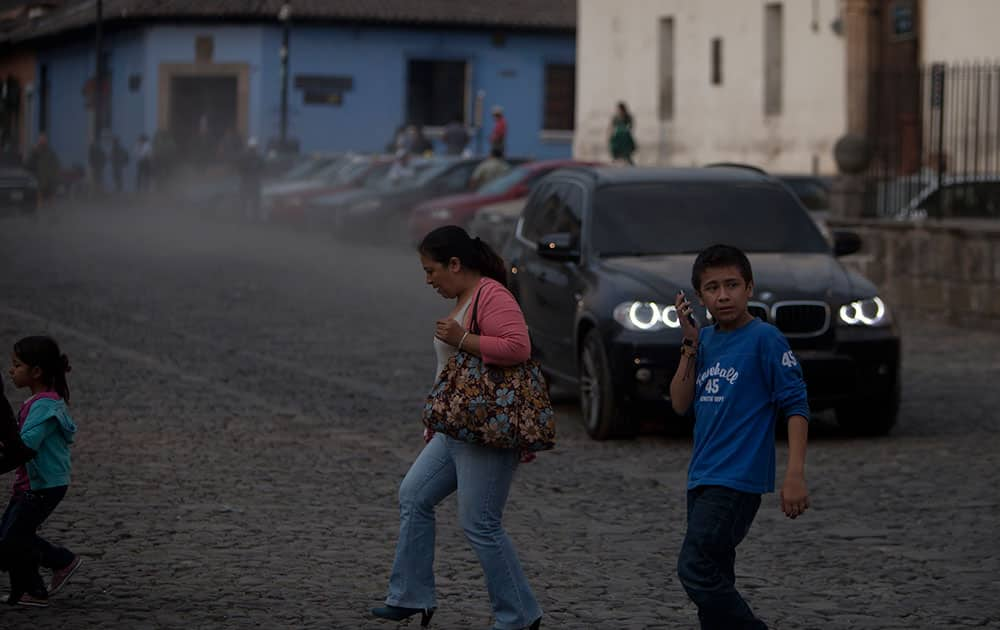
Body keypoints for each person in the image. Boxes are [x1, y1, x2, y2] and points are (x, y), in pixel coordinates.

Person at [371, 226, 543, 630]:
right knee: (414, 495)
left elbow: (519, 347)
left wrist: (464, 338)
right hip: (455, 428)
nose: (428, 280)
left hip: (486, 430)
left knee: (481, 524)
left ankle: (520, 615)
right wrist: (436, 419)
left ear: (455, 264)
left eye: (431, 271)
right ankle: (410, 596)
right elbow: (449, 370)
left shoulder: (492, 294)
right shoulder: (466, 298)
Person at [669, 244, 810, 630]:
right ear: (699, 297)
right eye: (712, 288)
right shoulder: (706, 342)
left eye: (732, 284)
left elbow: (796, 406)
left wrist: (794, 474)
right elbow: (680, 403)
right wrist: (690, 343)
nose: (723, 295)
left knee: (694, 566)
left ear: (749, 287)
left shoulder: (765, 339)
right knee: (715, 576)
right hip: (701, 476)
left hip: (736, 480)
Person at [0, 336, 81, 608]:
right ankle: (28, 589)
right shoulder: (38, 402)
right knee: (11, 536)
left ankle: (59, 563)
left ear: (36, 372)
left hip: (43, 486)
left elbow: (26, 444)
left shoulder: (44, 407)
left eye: (17, 365)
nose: (11, 371)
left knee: (13, 538)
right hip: (30, 484)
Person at [25, 134, 61, 202]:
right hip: (37, 180)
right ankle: (40, 208)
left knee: (50, 197)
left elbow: (56, 166)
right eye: (41, 140)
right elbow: (28, 165)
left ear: (46, 142)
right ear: (38, 141)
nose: (42, 142)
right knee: (39, 197)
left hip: (49, 181)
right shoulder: (34, 152)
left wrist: (54, 178)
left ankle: (50, 209)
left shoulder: (50, 153)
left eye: (44, 140)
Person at [237, 137, 264, 221]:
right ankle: (250, 217)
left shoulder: (255, 157)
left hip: (250, 181)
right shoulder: (254, 157)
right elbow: (262, 168)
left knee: (250, 200)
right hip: (250, 181)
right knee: (249, 200)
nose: (254, 149)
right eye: (254, 147)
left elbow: (262, 168)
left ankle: (250, 217)